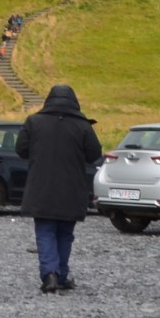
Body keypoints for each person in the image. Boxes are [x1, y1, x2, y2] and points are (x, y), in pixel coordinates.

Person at [16, 84, 101, 293]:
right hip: (72, 190)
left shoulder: (34, 122)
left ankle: (50, 275)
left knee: (45, 232)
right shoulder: (83, 126)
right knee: (65, 234)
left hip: (41, 188)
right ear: (74, 101)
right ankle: (60, 275)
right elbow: (94, 154)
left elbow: (21, 149)